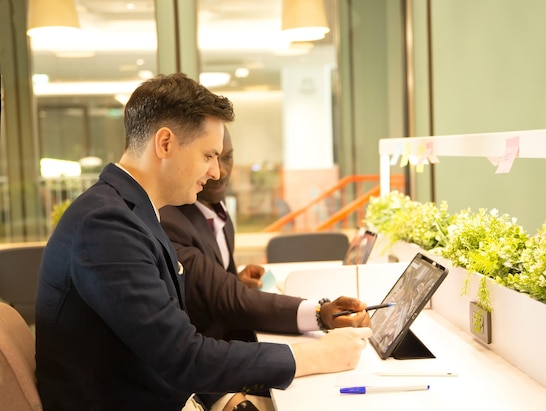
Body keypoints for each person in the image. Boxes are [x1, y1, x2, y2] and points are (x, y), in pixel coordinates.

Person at [35, 72, 372, 411]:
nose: (216, 172)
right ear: (165, 144)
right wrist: (316, 355)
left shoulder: (132, 212)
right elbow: (182, 356)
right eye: (208, 155)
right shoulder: (106, 226)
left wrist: (222, 397)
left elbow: (163, 340)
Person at [162, 125, 264, 290]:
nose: (220, 172)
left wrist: (237, 281)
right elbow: (206, 297)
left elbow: (215, 286)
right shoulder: (171, 221)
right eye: (208, 158)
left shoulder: (220, 211)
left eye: (227, 158)